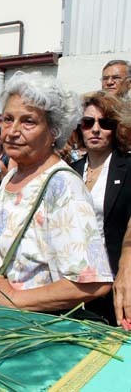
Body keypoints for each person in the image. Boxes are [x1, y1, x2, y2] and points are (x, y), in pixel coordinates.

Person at [0, 72, 113, 313]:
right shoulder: (14, 174)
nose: (12, 131)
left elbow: (93, 283)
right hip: (0, 322)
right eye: (8, 119)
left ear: (54, 131)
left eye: (28, 121)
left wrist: (14, 297)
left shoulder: (62, 186)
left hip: (33, 329)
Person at [71, 91, 131, 326]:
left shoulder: (127, 168)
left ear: (116, 128)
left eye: (104, 123)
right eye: (88, 123)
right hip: (77, 281)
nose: (95, 129)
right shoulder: (69, 169)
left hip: (115, 277)